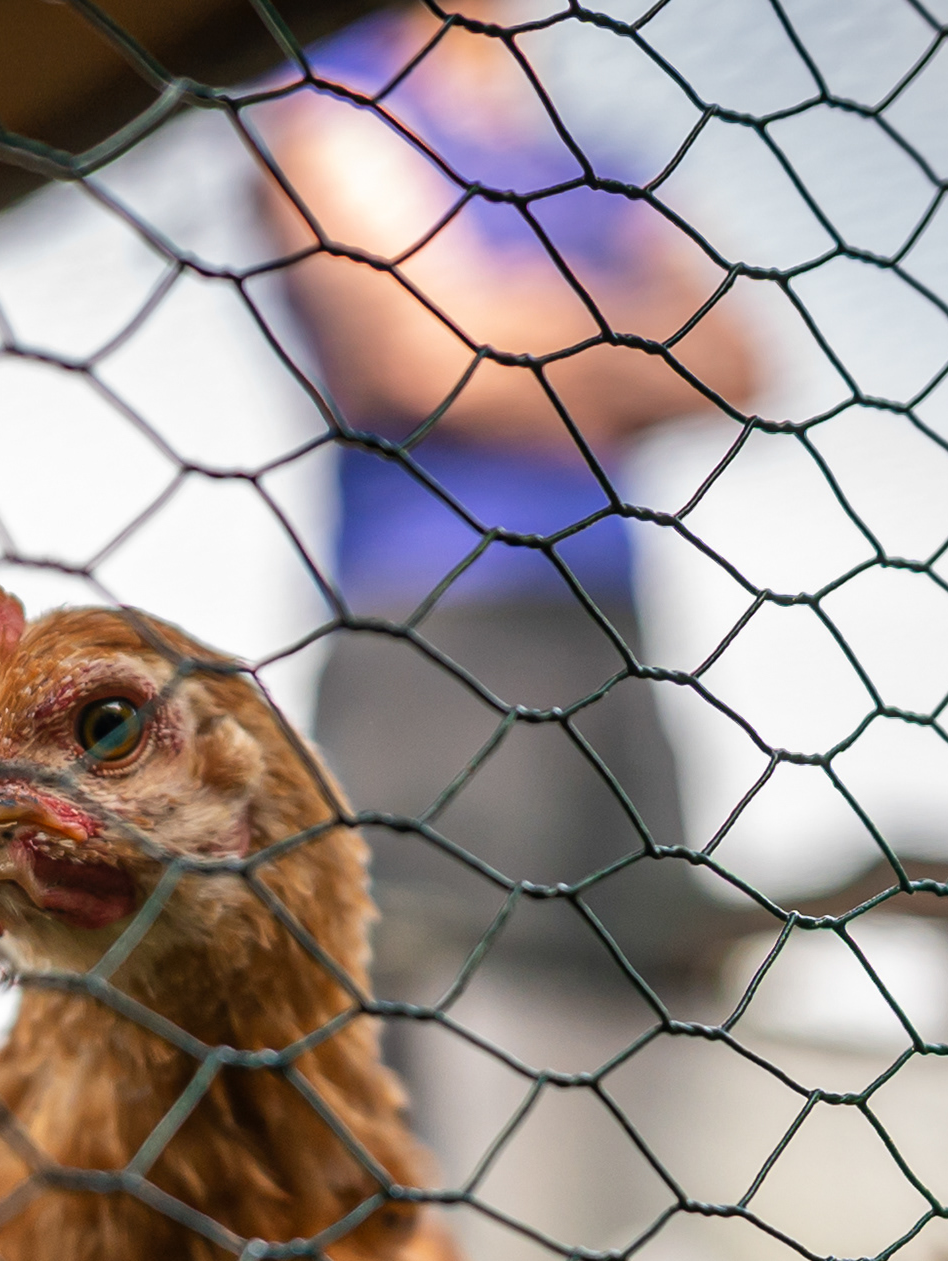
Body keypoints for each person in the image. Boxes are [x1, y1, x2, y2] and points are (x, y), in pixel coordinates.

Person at [258, 13, 760, 1044]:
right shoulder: (333, 99)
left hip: (611, 646)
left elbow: (733, 364)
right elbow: (422, 356)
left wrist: (504, 321)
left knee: (648, 1003)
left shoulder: (595, 157)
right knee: (438, 1011)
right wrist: (623, 344)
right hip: (435, 634)